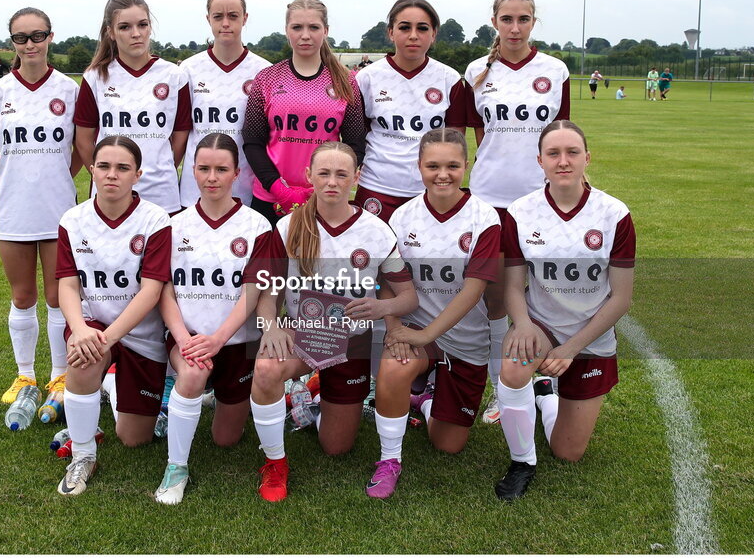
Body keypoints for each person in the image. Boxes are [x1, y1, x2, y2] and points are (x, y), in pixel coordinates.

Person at [250, 141, 417, 502]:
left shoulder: (376, 231)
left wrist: (380, 309)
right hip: (303, 333)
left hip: (351, 342)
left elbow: (407, 296)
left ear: (356, 178)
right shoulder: (287, 227)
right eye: (323, 173)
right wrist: (271, 325)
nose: (332, 182)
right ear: (309, 175)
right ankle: (275, 464)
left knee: (336, 448)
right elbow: (268, 293)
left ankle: (308, 396)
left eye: (342, 174)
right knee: (264, 369)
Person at [493, 120, 635, 501]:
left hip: (592, 332)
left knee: (568, 453)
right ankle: (522, 461)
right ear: (540, 160)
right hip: (542, 324)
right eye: (553, 153)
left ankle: (546, 395)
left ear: (587, 157)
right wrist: (522, 323)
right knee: (513, 363)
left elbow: (620, 298)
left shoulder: (614, 213)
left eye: (572, 152)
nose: (563, 161)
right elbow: (511, 284)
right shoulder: (521, 212)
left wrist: (572, 348)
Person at [366, 128, 501, 498]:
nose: (443, 174)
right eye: (433, 166)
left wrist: (427, 336)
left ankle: (425, 399)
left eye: (453, 166)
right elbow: (387, 283)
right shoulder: (402, 218)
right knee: (394, 365)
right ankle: (389, 460)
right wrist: (394, 326)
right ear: (419, 167)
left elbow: (473, 290)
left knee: (448, 444)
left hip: (464, 338)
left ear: (466, 166)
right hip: (416, 328)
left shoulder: (484, 219)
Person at [463, 0, 570, 425]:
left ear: (533, 22)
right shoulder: (475, 71)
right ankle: (497, 389)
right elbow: (478, 135)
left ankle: (543, 379)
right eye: (507, 19)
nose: (514, 27)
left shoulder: (555, 69)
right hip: (490, 200)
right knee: (493, 298)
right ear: (495, 23)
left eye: (523, 19)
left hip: (540, 202)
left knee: (541, 293)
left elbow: (560, 135)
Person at [0, 7, 81, 412]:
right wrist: (17, 176)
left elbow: (81, 152)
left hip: (58, 212)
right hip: (13, 210)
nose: (30, 44)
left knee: (58, 297)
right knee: (22, 295)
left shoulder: (70, 90)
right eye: (22, 38)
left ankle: (59, 374)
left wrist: (55, 176)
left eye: (38, 36)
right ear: (12, 42)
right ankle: (25, 375)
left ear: (51, 37)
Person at [154, 133, 273, 504]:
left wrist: (218, 339)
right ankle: (176, 468)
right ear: (192, 170)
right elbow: (165, 290)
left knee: (226, 439)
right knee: (191, 372)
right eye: (204, 169)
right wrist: (185, 338)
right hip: (188, 338)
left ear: (237, 173)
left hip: (236, 343)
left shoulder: (257, 227)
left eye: (221, 169)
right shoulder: (172, 225)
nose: (212, 177)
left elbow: (251, 294)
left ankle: (197, 398)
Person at [55, 135, 172, 496]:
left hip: (140, 333)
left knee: (134, 439)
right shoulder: (73, 220)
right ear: (91, 170)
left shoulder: (155, 219)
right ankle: (83, 454)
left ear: (137, 174)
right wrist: (80, 331)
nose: (112, 175)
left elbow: (151, 292)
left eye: (123, 168)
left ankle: (109, 384)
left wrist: (106, 339)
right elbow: (68, 286)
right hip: (92, 323)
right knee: (83, 357)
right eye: (104, 166)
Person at [242, 0, 366, 226]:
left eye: (314, 27)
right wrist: (279, 189)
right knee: (269, 263)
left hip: (324, 199)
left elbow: (355, 146)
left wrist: (325, 186)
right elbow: (252, 142)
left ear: (326, 31)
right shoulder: (266, 79)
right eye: (297, 27)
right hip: (271, 199)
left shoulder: (346, 82)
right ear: (286, 30)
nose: (305, 35)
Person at [74, 0, 192, 214]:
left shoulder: (174, 76)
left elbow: (179, 138)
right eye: (125, 27)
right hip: (110, 196)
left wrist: (159, 168)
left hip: (162, 195)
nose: (136, 34)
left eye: (142, 25)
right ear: (111, 32)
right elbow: (83, 140)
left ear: (150, 27)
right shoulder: (95, 77)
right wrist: (109, 177)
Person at [354, 0, 468, 222]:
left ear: (434, 34)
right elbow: (358, 135)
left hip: (430, 190)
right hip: (377, 187)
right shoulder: (367, 77)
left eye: (422, 28)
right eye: (404, 27)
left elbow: (455, 141)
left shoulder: (449, 79)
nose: (413, 35)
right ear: (391, 32)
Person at [178, 0, 271, 207]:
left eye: (233, 16)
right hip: (196, 189)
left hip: (245, 188)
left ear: (245, 18)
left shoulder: (264, 71)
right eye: (218, 17)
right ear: (208, 18)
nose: (226, 23)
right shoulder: (188, 70)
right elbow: (180, 133)